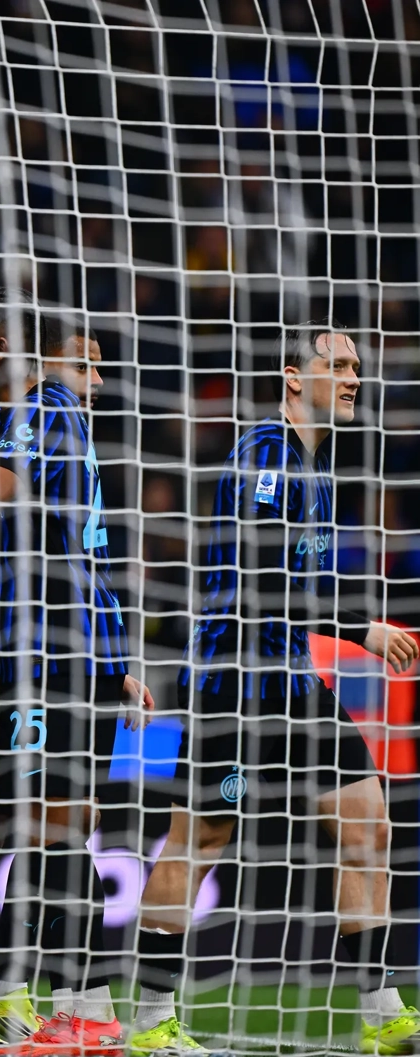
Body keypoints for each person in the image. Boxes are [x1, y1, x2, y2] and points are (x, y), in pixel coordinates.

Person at [135, 322, 420, 1056]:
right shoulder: (267, 451)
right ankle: (148, 1020)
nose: (353, 377)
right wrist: (361, 629)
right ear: (294, 377)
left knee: (368, 823)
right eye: (338, 364)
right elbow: (263, 577)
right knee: (202, 837)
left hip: (292, 678)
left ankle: (382, 1013)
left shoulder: (316, 464)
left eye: (356, 366)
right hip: (236, 680)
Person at [0, 306, 155, 1056]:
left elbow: (5, 507)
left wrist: (119, 661)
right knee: (48, 828)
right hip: (47, 655)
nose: (96, 382)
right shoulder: (43, 410)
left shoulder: (37, 415)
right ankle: (41, 999)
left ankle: (53, 1001)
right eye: (85, 363)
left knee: (52, 828)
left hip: (63, 651)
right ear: (45, 358)